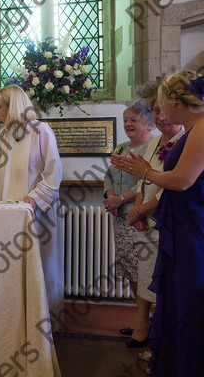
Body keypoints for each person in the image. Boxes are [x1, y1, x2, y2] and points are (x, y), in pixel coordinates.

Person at [111, 71, 204, 376]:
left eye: (163, 104)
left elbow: (181, 180)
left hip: (191, 228)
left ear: (174, 100)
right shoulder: (195, 128)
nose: (162, 111)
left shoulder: (201, 128)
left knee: (187, 300)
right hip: (181, 223)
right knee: (176, 298)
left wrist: (145, 172)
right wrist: (145, 176)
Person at [0, 85, 63, 320]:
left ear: (12, 107)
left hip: (35, 212)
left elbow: (53, 173)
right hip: (7, 213)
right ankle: (14, 318)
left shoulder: (41, 131)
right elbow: (0, 175)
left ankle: (42, 320)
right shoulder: (3, 135)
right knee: (9, 266)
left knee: (39, 266)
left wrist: (33, 199)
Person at [126, 80, 184, 355]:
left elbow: (169, 188)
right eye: (155, 111)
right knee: (145, 277)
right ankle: (144, 327)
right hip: (146, 224)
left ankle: (161, 341)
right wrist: (138, 210)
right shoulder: (152, 144)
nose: (161, 117)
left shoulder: (185, 141)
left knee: (164, 285)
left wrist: (140, 210)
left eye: (164, 111)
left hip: (165, 222)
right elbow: (142, 180)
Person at [104, 101, 153, 346]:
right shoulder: (121, 147)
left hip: (140, 216)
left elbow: (146, 182)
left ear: (148, 122)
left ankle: (146, 323)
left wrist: (120, 198)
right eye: (125, 120)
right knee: (129, 268)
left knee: (143, 269)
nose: (128, 124)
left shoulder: (152, 147)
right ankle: (141, 318)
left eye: (133, 119)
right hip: (120, 216)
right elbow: (108, 175)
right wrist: (110, 196)